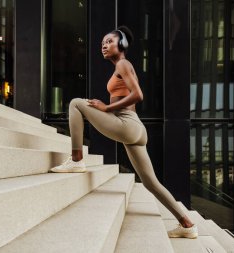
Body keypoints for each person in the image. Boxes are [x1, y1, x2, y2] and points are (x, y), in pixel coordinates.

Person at [50, 26, 198, 239]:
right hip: (136, 129)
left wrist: (106, 108)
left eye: (109, 41)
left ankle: (76, 159)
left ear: (122, 45)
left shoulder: (123, 63)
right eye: (103, 42)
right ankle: (187, 224)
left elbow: (138, 94)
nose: (104, 45)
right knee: (150, 182)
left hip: (127, 124)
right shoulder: (120, 67)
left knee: (75, 104)